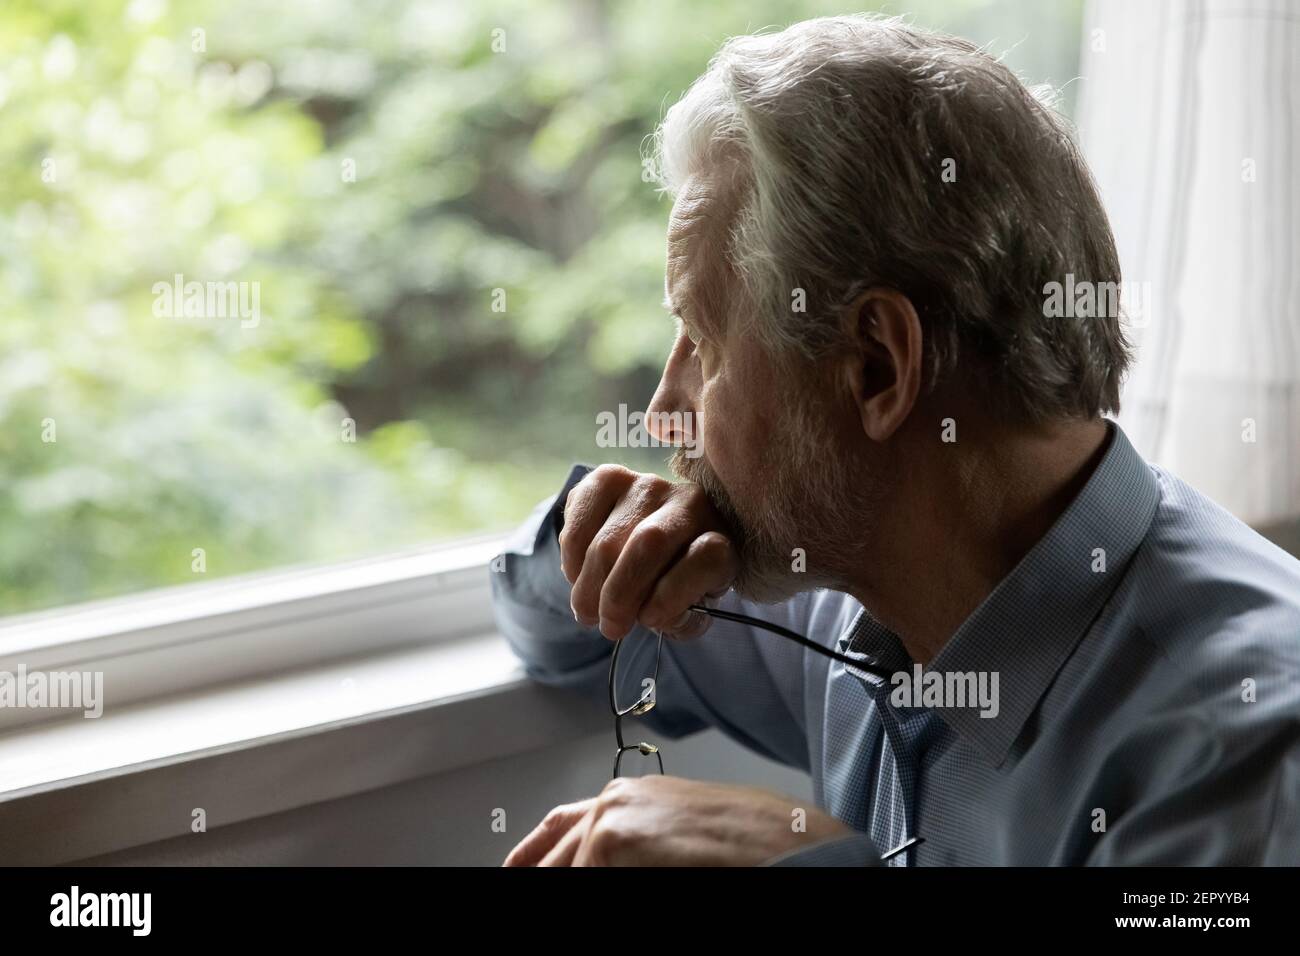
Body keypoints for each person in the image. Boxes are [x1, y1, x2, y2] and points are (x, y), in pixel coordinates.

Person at [489, 14, 1300, 866]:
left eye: (704, 340)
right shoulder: (849, 593)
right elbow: (552, 628)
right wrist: (610, 533)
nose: (664, 409)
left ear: (876, 365)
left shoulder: (1248, 760)